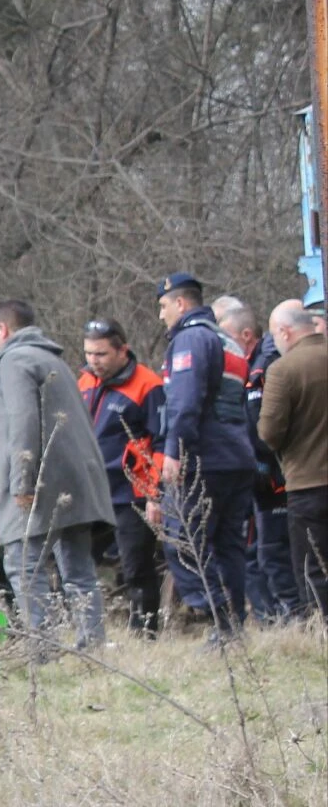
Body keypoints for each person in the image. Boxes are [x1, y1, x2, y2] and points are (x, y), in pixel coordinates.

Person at [0, 300, 110, 655]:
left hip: (40, 483)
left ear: (1, 330)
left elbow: (23, 421)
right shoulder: (54, 360)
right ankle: (92, 646)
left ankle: (43, 649)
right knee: (78, 568)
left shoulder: (15, 361)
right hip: (76, 481)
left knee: (23, 564)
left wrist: (20, 481)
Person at [148, 273, 255, 643]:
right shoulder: (230, 342)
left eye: (163, 306)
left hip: (203, 459)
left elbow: (185, 399)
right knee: (228, 547)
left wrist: (174, 450)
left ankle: (219, 617)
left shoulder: (191, 338)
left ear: (181, 304)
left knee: (183, 542)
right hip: (237, 457)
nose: (161, 315)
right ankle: (233, 627)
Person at [77, 317, 165, 636]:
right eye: (88, 353)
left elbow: (161, 442)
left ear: (122, 350)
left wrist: (155, 494)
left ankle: (144, 632)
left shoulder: (147, 384)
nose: (92, 361)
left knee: (136, 567)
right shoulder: (85, 381)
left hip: (132, 492)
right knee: (79, 560)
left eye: (100, 354)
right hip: (92, 491)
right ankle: (86, 628)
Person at [214, 300, 302, 622]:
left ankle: (292, 617)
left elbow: (263, 426)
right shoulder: (249, 364)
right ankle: (272, 618)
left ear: (247, 335)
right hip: (259, 473)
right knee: (256, 552)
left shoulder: (265, 365)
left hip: (274, 477)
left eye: (226, 337)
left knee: (272, 552)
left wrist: (260, 459)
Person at [259, 300, 328, 617]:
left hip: (307, 484)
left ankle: (321, 637)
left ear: (284, 332)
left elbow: (269, 432)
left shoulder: (283, 370)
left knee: (313, 569)